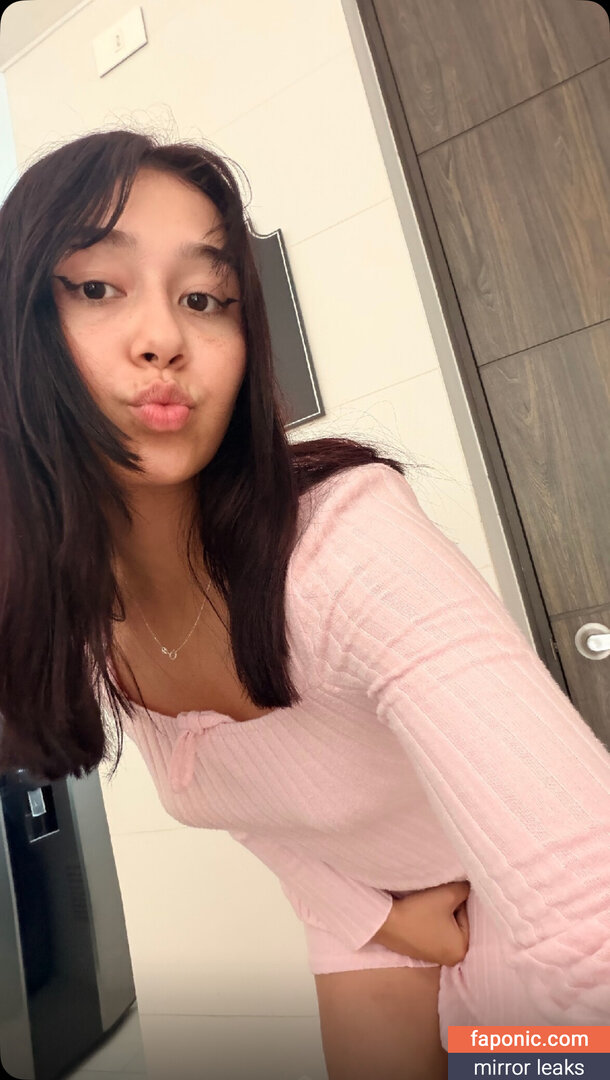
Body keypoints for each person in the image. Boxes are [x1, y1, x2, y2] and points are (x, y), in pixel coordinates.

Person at [0, 129, 608, 1080]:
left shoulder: (342, 542)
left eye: (204, 299)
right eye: (98, 286)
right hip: (376, 917)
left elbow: (589, 911)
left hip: (512, 919)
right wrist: (374, 918)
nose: (164, 338)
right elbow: (258, 810)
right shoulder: (84, 610)